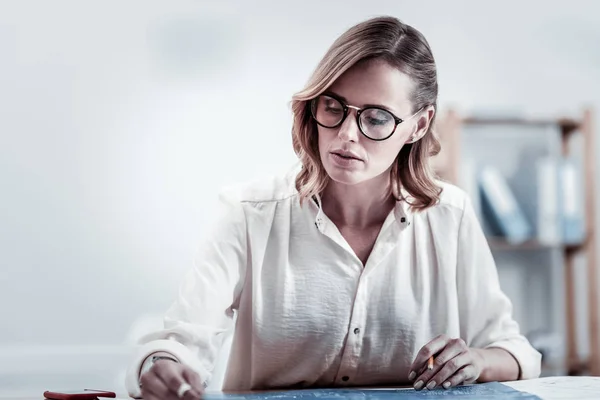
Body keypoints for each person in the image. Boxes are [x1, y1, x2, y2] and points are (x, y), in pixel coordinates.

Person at [125, 15, 541, 400]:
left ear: (418, 125)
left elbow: (514, 350)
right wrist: (163, 366)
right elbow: (181, 342)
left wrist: (479, 361)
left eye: (376, 118)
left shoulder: (451, 215)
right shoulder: (248, 213)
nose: (345, 136)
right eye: (334, 107)